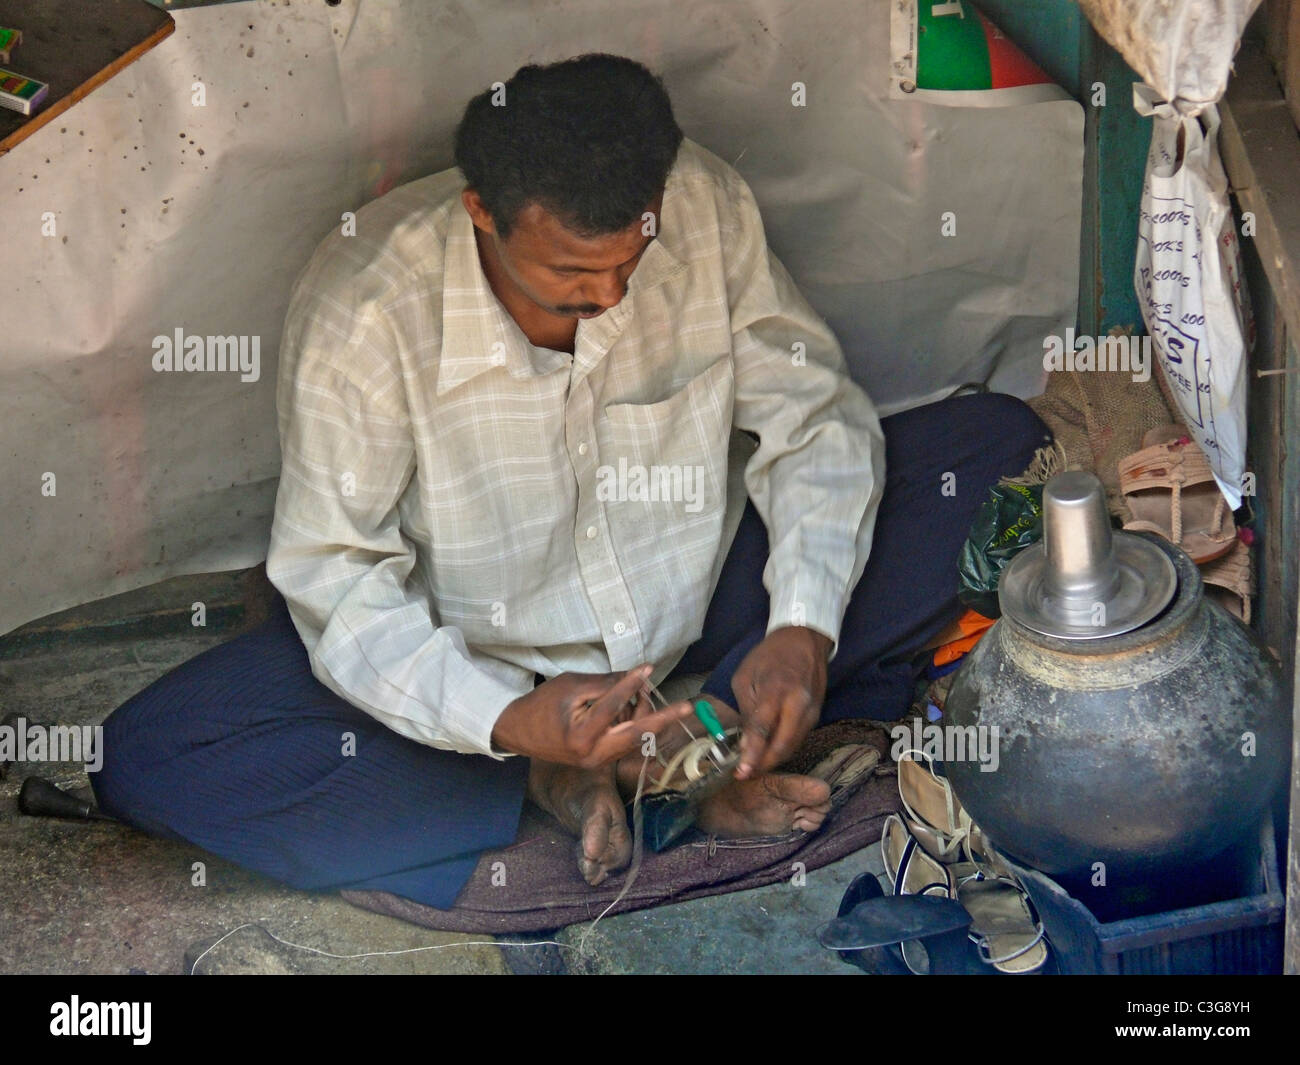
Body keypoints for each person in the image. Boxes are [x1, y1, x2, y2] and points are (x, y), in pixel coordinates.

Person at [93, 54, 1050, 908]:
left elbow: (811, 414)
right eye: (568, 281)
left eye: (630, 265)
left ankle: (695, 751)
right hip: (480, 656)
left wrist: (800, 623)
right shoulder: (368, 309)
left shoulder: (700, 202)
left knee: (986, 448)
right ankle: (560, 778)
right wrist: (509, 720)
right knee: (154, 754)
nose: (609, 300)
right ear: (481, 215)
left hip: (696, 611)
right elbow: (336, 577)